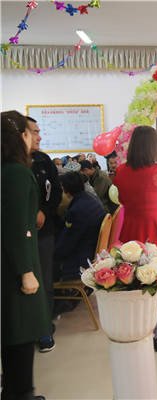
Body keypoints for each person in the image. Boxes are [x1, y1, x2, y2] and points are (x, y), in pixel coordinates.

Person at [112, 125, 157, 351]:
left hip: (131, 227)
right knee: (153, 277)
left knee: (139, 277)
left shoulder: (121, 171)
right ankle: (152, 333)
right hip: (154, 227)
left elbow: (121, 198)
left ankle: (156, 323)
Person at [1, 110, 50, 400]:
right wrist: (26, 271)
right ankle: (20, 393)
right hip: (16, 268)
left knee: (12, 333)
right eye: (32, 132)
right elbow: (17, 226)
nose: (35, 137)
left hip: (10, 263)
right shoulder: (17, 173)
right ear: (21, 136)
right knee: (20, 332)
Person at [27, 116, 63, 353]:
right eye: (34, 131)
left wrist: (44, 211)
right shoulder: (9, 164)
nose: (39, 136)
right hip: (16, 232)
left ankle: (43, 329)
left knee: (43, 280)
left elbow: (56, 191)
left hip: (43, 231)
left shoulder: (43, 160)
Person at [54, 172, 105, 281]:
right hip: (92, 251)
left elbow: (65, 246)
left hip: (81, 261)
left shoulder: (77, 211)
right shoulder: (91, 199)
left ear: (64, 190)